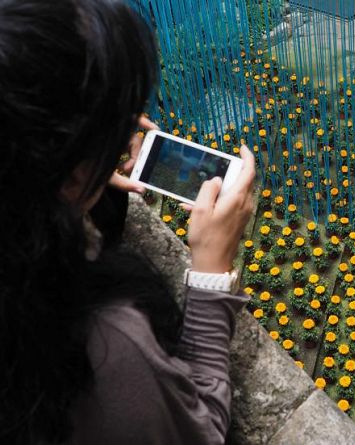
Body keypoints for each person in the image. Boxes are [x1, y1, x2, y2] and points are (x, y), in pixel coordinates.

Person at [0, 1, 256, 444]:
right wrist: (212, 272)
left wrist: (88, 193)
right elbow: (203, 430)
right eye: (114, 117)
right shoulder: (107, 348)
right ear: (70, 170)